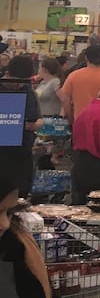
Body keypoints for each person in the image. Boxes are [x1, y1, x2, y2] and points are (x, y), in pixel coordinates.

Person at [0, 56, 41, 197]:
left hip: (22, 152)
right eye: (17, 82)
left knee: (21, 194)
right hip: (4, 153)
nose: (19, 86)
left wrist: (35, 124)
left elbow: (38, 119)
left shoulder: (28, 89)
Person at [58, 45, 100, 121]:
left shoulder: (74, 76)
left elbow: (65, 100)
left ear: (86, 58)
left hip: (81, 120)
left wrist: (70, 118)